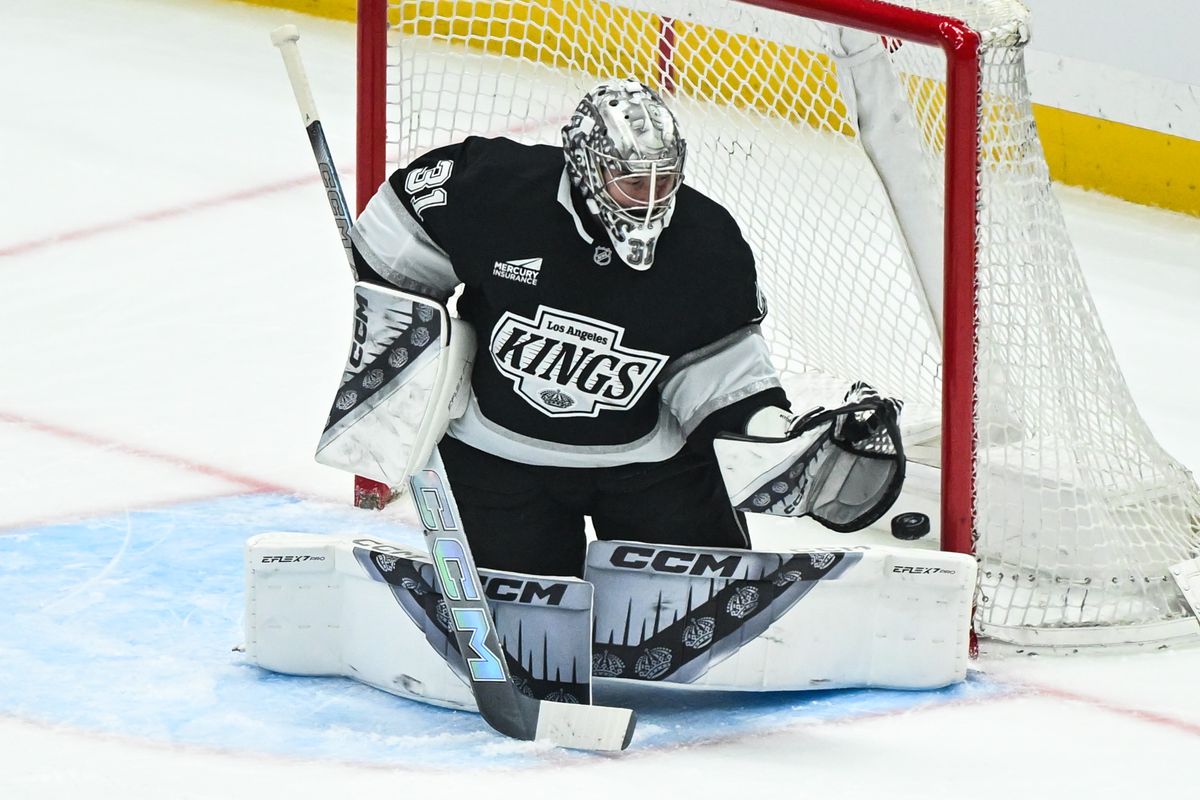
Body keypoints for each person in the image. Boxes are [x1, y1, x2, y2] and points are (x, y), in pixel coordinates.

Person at [349, 79, 888, 578]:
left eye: (664, 178)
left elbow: (722, 378)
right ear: (585, 165)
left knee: (702, 610)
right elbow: (398, 225)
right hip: (499, 460)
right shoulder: (496, 188)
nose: (651, 197)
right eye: (632, 180)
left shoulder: (707, 243)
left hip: (651, 469)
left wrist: (778, 439)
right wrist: (409, 338)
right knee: (522, 621)